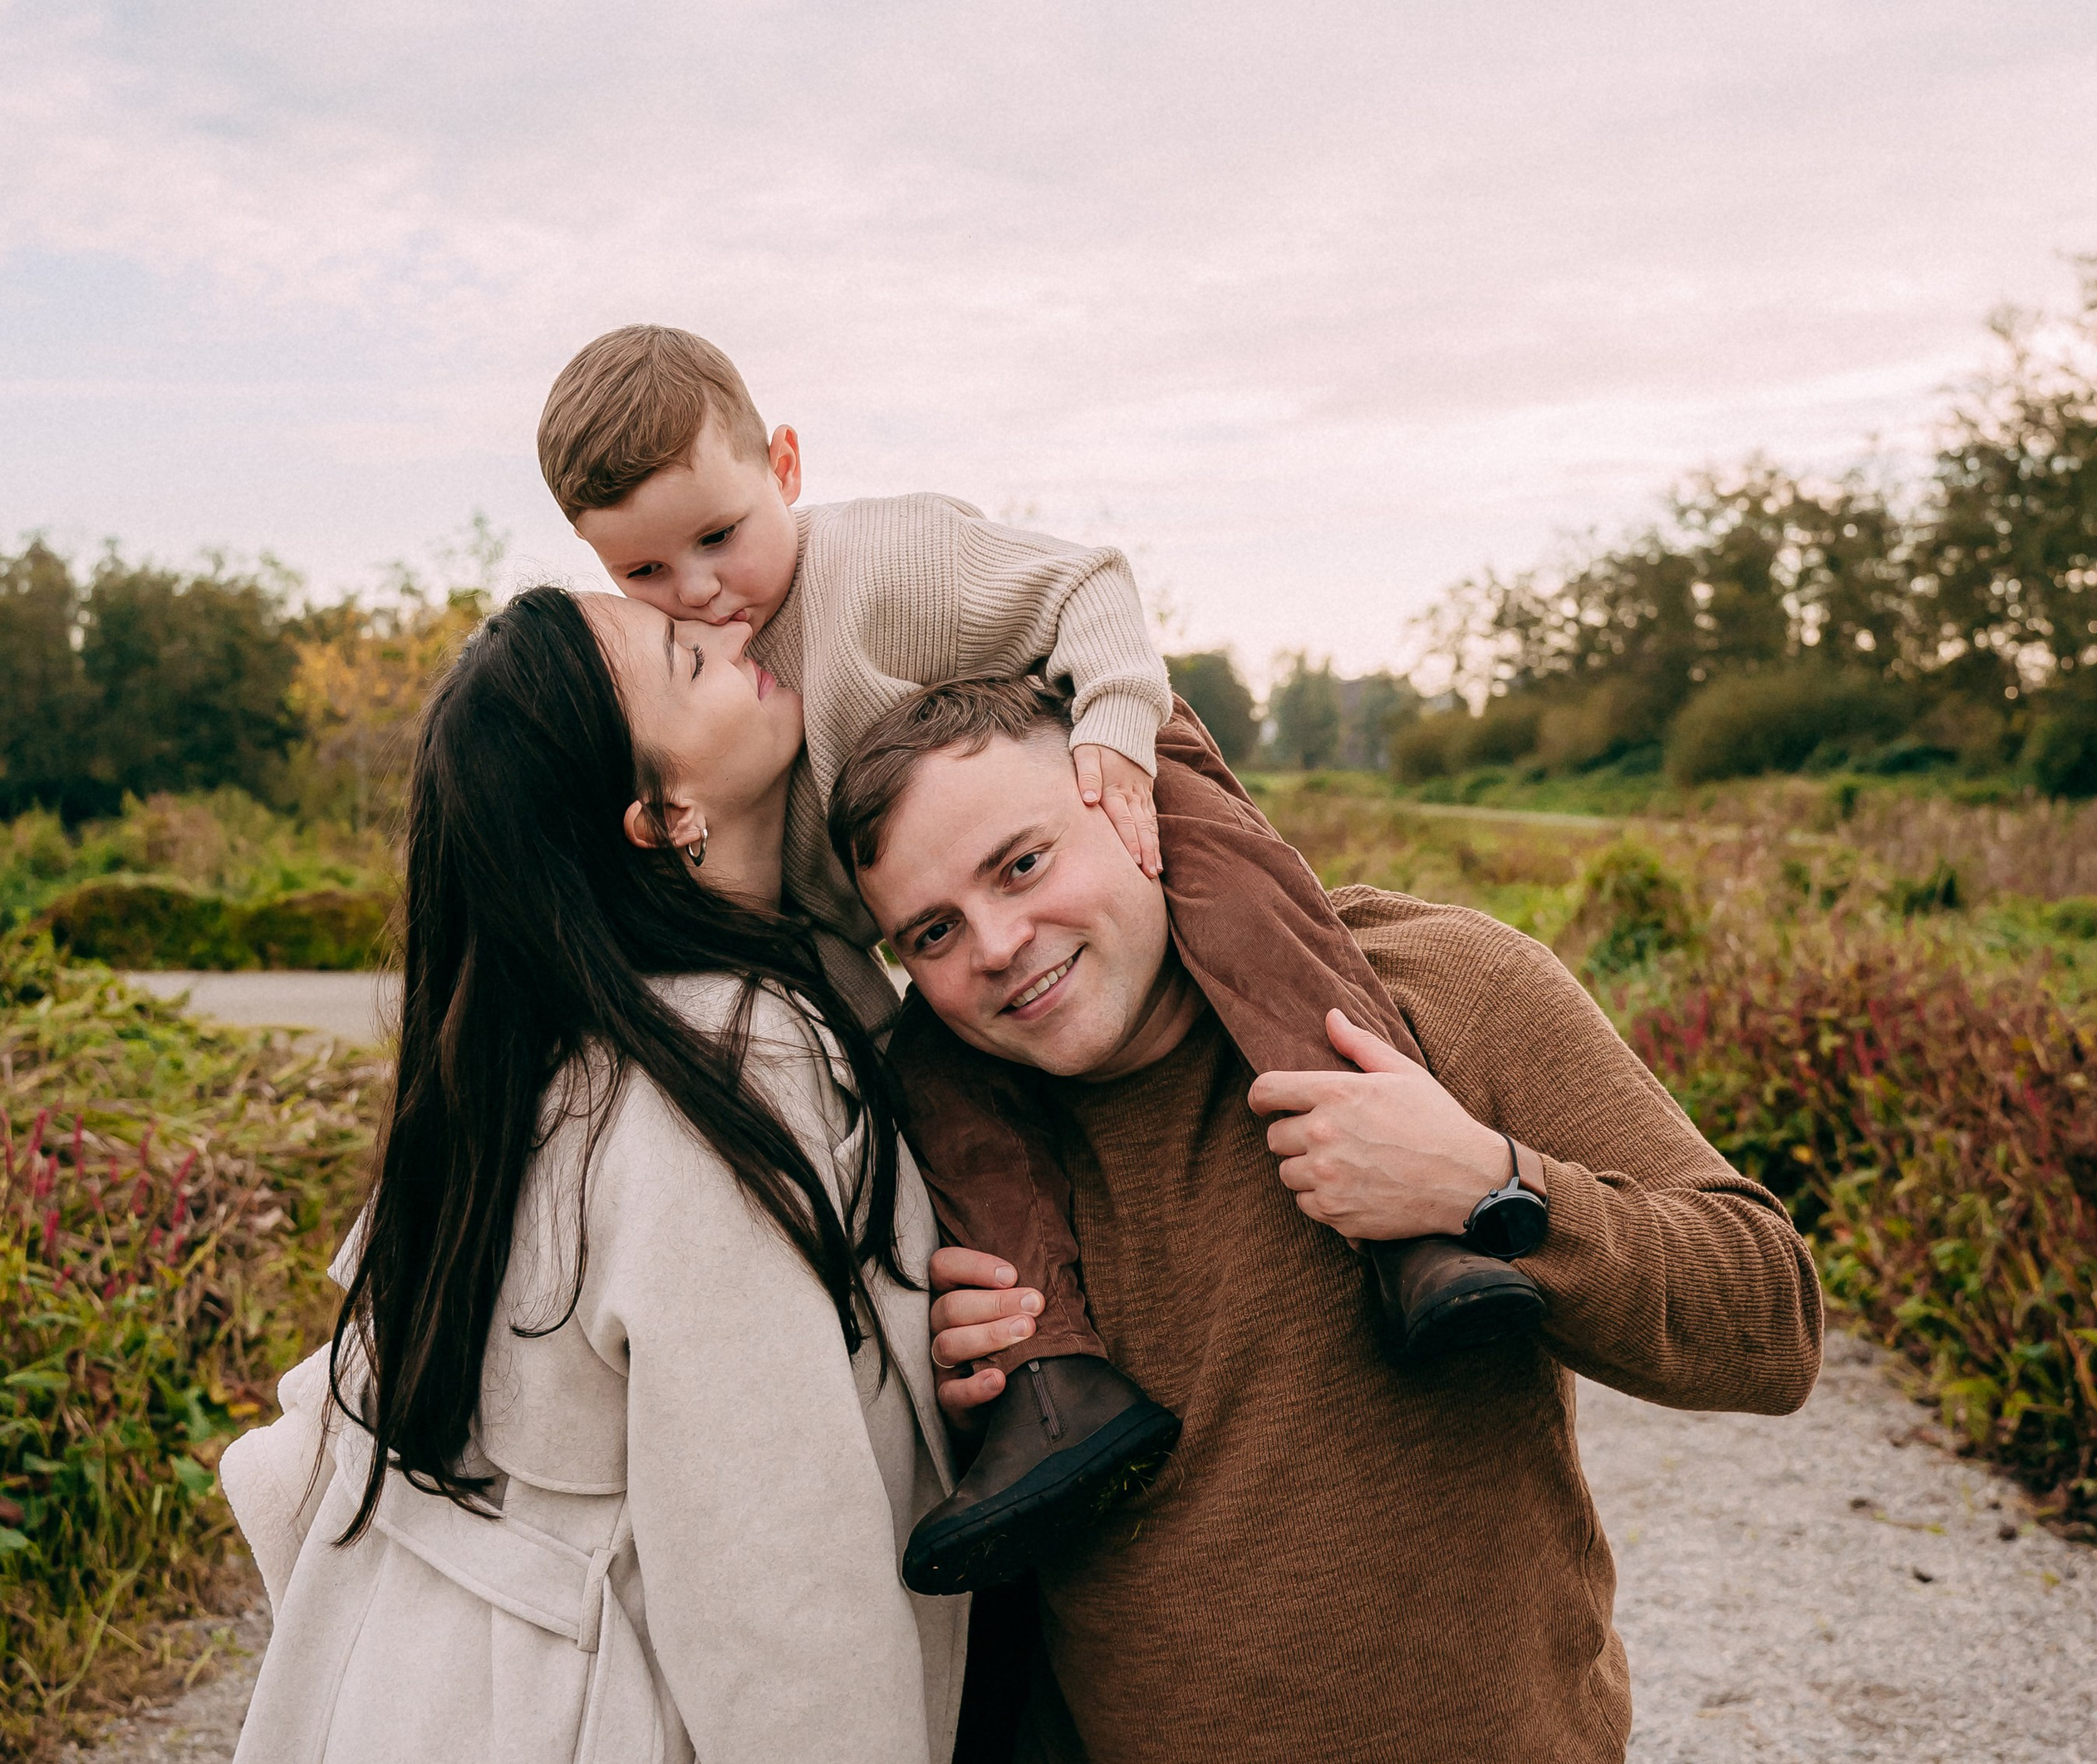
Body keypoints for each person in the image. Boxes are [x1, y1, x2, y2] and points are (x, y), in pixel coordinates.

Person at [535, 325, 1546, 1593]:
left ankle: (1410, 1234)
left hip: (1096, 775)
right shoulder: (737, 712)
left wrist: (1119, 732)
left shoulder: (885, 557)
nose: (699, 589)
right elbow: (838, 935)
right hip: (969, 881)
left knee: (1251, 926)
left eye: (720, 536)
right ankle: (1052, 1376)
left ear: (784, 465)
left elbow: (1088, 584)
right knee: (939, 1089)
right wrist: (857, 1064)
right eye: (646, 571)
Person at [831, 676, 1826, 1764]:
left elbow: (1769, 1327)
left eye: (1022, 864)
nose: (997, 944)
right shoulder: (945, 1162)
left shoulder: (1436, 988)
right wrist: (963, 1414)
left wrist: (1487, 1187)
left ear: (1129, 803)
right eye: (932, 932)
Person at [219, 588, 965, 1764]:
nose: (736, 635)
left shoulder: (549, 1051)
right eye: (688, 657)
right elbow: (776, 1589)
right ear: (663, 816)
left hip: (425, 1697)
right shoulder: (721, 1073)